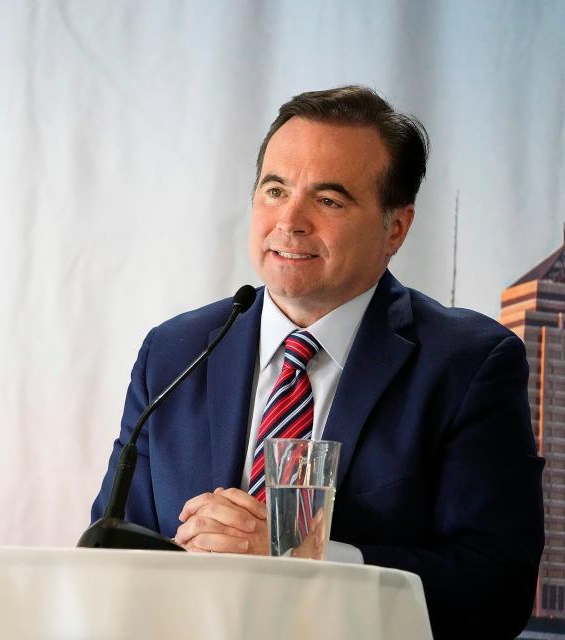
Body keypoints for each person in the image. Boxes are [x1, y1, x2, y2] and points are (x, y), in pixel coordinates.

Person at [91, 86, 544, 638]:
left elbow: (495, 589)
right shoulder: (174, 352)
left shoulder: (467, 364)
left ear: (395, 228)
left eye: (328, 200)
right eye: (275, 190)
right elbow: (107, 552)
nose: (291, 220)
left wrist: (301, 554)